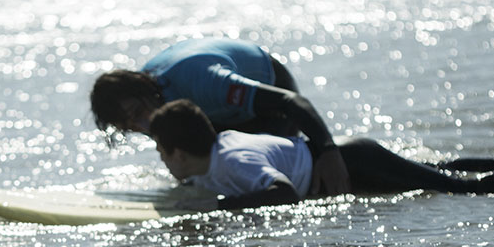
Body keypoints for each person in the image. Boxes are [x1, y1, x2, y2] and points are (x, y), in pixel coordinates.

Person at [147, 100, 494, 211]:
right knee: (433, 172)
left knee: (454, 188)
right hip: (351, 158)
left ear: (180, 152)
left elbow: (282, 193)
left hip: (353, 162)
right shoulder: (215, 150)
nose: (163, 161)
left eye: (163, 153)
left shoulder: (231, 164)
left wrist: (218, 208)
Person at [89, 37, 351, 195]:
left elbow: (290, 101)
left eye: (137, 114)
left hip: (270, 91)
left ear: (144, 89)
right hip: (214, 110)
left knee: (261, 179)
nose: (141, 125)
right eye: (129, 126)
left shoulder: (205, 81)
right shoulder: (147, 100)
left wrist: (328, 151)